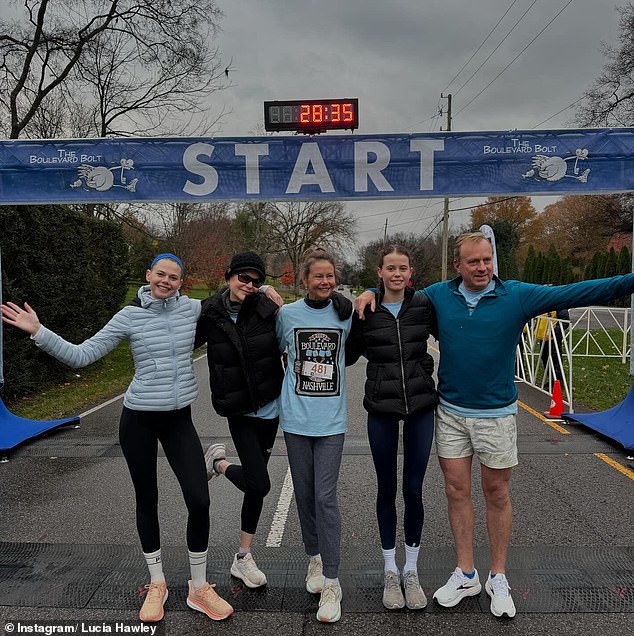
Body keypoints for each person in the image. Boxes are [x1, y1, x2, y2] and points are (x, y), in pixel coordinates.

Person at [355, 232, 634, 619]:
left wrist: (630, 279)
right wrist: (370, 290)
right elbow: (396, 287)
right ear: (458, 266)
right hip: (451, 412)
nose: (482, 267)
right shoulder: (437, 296)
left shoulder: (517, 295)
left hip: (497, 414)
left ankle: (498, 575)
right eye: (473, 261)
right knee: (456, 491)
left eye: (487, 260)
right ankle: (466, 573)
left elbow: (577, 292)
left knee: (497, 493)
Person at [0, 254, 233, 624]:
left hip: (179, 421)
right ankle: (157, 583)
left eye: (174, 277)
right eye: (160, 274)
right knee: (148, 499)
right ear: (149, 275)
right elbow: (82, 354)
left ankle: (199, 587)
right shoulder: (130, 316)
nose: (166, 281)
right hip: (138, 420)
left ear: (181, 282)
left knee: (199, 499)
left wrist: (265, 288)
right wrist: (38, 331)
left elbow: (232, 298)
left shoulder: (192, 310)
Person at [345, 245, 437, 611]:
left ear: (410, 272)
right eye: (390, 269)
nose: (397, 274)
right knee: (386, 488)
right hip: (381, 408)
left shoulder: (424, 306)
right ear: (379, 272)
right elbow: (350, 354)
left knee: (413, 488)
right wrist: (355, 313)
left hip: (421, 407)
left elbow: (453, 335)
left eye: (403, 268)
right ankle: (389, 570)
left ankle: (410, 571)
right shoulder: (367, 310)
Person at [194, 251, 284, 589]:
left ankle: (243, 557)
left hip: (270, 408)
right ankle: (219, 465)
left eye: (256, 280)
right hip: (239, 411)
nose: (249, 284)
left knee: (255, 489)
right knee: (259, 482)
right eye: (243, 277)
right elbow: (180, 341)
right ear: (229, 275)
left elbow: (297, 327)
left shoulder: (267, 309)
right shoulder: (209, 313)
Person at [275, 246, 353, 623]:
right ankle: (315, 560)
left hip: (331, 423)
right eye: (318, 276)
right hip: (295, 420)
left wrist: (363, 295)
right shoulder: (288, 315)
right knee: (304, 496)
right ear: (303, 280)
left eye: (330, 276)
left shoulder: (345, 314)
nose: (325, 282)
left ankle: (334, 583)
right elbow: (276, 350)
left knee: (325, 497)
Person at [534, 308, 570, 385]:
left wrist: (553, 332)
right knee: (545, 358)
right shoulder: (545, 304)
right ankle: (551, 379)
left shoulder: (560, 305)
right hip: (544, 336)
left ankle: (558, 381)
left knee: (555, 359)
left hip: (554, 338)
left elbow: (564, 322)